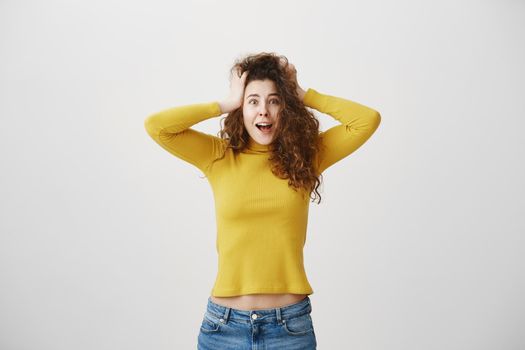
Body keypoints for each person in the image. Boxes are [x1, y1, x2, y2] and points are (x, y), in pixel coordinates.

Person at [144, 52, 381, 349]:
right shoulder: (218, 156)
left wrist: (303, 94)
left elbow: (366, 121)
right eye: (253, 101)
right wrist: (225, 102)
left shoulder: (306, 157)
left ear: (286, 107)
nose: (263, 111)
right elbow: (157, 126)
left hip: (289, 330)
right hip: (223, 328)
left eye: (274, 100)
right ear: (241, 109)